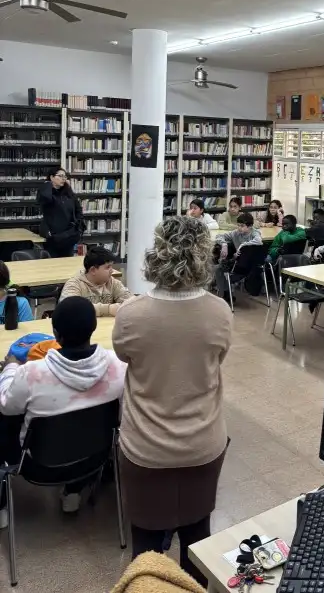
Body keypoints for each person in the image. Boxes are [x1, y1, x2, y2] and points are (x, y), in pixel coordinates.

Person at [112, 216, 232, 587]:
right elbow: (216, 360)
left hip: (145, 448)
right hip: (203, 445)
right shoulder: (220, 312)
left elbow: (124, 357)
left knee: (146, 551)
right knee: (198, 540)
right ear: (204, 255)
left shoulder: (131, 315)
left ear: (157, 253)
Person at [0, 296, 126, 520]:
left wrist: (10, 368)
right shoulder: (117, 366)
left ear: (56, 335)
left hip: (35, 465)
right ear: (93, 328)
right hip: (94, 457)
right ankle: (73, 492)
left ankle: (1, 505)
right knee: (83, 426)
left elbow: (7, 407)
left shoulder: (31, 373)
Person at [60, 246, 132, 316]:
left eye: (111, 266)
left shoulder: (113, 282)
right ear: (93, 270)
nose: (112, 271)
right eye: (107, 267)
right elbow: (70, 308)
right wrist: (108, 309)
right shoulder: (74, 284)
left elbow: (131, 303)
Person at [37, 165, 84, 257]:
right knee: (53, 262)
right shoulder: (46, 191)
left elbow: (78, 209)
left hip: (69, 235)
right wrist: (48, 184)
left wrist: (78, 224)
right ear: (52, 177)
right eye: (60, 176)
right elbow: (45, 198)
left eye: (65, 176)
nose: (63, 179)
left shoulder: (68, 193)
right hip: (53, 236)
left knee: (67, 261)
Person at [213, 213, 263, 299]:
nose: (239, 228)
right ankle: (226, 293)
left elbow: (259, 241)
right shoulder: (235, 233)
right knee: (218, 268)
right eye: (238, 225)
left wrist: (242, 246)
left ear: (250, 226)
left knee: (223, 267)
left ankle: (229, 289)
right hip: (238, 262)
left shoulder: (255, 233)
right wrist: (224, 244)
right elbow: (219, 236)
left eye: (242, 226)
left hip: (250, 265)